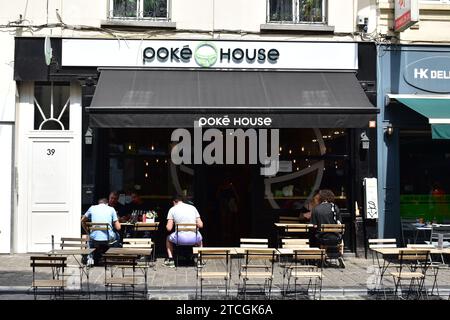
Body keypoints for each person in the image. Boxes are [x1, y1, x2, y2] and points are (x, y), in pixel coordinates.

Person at [164, 194, 204, 268]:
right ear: (182, 200)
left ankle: (171, 259)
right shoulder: (193, 208)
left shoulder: (172, 209)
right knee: (200, 240)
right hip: (194, 239)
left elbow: (169, 228)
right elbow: (201, 225)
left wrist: (166, 225)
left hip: (179, 239)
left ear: (174, 202)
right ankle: (199, 260)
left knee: (168, 238)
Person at [81, 198, 121, 265]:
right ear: (107, 204)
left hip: (94, 239)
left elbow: (82, 221)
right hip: (108, 239)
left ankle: (90, 257)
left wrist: (88, 232)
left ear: (98, 204)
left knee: (90, 239)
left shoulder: (92, 208)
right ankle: (113, 256)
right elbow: (118, 227)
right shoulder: (111, 209)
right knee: (118, 235)